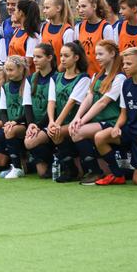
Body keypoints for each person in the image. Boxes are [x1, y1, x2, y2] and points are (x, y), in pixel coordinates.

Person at [93, 47, 137, 186]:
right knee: (100, 137)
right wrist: (117, 127)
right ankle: (117, 175)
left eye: (129, 64)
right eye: (124, 64)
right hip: (129, 132)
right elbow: (124, 113)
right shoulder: (126, 83)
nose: (125, 67)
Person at [69, 40, 126, 185]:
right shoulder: (96, 76)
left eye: (101, 54)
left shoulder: (119, 77)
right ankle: (100, 171)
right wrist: (77, 117)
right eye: (96, 54)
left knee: (77, 132)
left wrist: (82, 121)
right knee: (75, 129)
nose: (97, 57)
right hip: (97, 121)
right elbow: (89, 98)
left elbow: (102, 102)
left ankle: (96, 172)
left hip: (112, 121)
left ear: (112, 54)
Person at [40, 41, 92, 182]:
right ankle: (71, 167)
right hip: (59, 122)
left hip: (75, 122)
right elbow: (52, 102)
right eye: (61, 55)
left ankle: (72, 169)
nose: (62, 59)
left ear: (76, 58)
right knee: (51, 133)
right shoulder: (56, 77)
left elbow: (71, 102)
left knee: (56, 132)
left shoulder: (83, 78)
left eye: (66, 56)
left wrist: (57, 123)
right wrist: (51, 121)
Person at [21, 43, 59, 178]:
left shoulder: (56, 77)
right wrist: (31, 124)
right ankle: (44, 160)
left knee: (30, 141)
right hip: (35, 124)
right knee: (42, 174)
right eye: (34, 56)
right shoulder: (30, 79)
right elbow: (27, 105)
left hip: (49, 123)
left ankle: (56, 156)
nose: (35, 60)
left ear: (49, 58)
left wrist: (38, 126)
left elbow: (54, 108)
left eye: (39, 57)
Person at [0, 56, 30, 179]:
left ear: (20, 69)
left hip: (25, 123)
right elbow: (3, 111)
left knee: (10, 131)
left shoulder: (27, 84)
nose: (8, 73)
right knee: (7, 130)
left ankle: (18, 167)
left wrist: (15, 122)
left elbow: (29, 111)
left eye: (11, 70)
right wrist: (7, 123)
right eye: (7, 70)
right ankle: (16, 166)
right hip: (12, 124)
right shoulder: (5, 87)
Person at [74, 0, 116, 77]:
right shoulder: (78, 27)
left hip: (100, 76)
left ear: (94, 6)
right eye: (79, 7)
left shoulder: (106, 28)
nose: (80, 10)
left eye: (84, 6)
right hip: (82, 76)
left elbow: (111, 55)